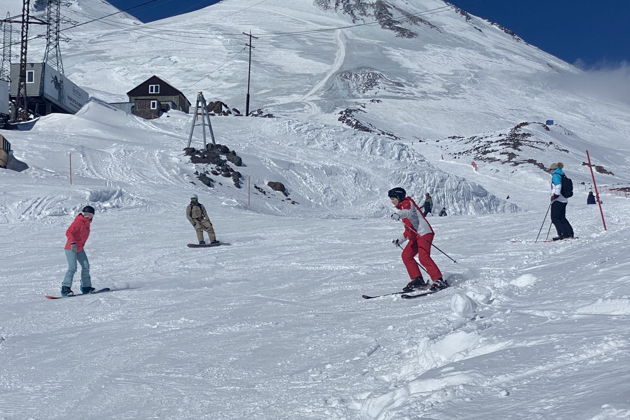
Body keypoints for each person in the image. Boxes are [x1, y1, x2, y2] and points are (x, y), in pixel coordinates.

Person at [388, 187, 447, 292]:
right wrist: (399, 240)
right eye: (391, 199)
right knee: (406, 255)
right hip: (415, 236)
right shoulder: (402, 209)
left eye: (393, 198)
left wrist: (398, 214)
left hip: (424, 233)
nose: (391, 201)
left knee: (423, 257)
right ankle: (417, 279)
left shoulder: (407, 203)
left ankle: (438, 280)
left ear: (399, 197)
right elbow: (408, 230)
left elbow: (408, 212)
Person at [61, 206, 96, 296]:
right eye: (86, 214)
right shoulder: (79, 221)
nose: (87, 216)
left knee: (86, 266)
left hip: (79, 248)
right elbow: (69, 232)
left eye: (90, 215)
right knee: (72, 268)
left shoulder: (87, 223)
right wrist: (73, 243)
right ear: (83, 214)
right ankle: (65, 288)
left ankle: (86, 287)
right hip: (70, 248)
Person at [548, 162, 574, 240]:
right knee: (562, 217)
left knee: (555, 218)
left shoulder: (556, 175)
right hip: (564, 200)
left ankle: (563, 234)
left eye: (551, 170)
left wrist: (555, 196)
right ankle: (569, 233)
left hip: (558, 199)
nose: (550, 171)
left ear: (554, 169)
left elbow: (558, 186)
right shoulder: (562, 174)